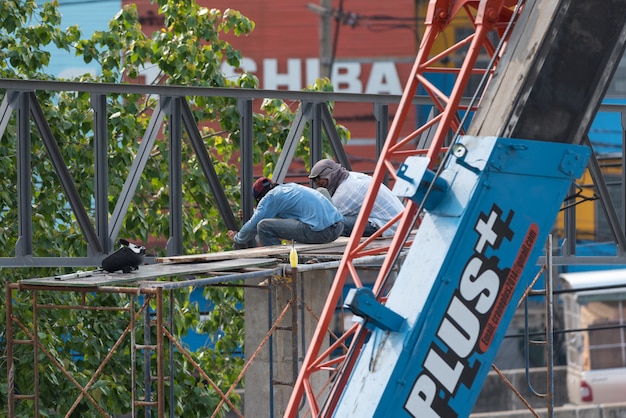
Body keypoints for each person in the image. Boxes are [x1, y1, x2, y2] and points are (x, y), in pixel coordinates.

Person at [227, 177, 345, 247]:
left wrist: (238, 238)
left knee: (263, 226)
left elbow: (254, 224)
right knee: (320, 192)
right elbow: (281, 218)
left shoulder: (270, 198)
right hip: (338, 228)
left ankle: (278, 262)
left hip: (321, 233)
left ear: (259, 198)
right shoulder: (289, 187)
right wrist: (253, 212)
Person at [308, 159, 404, 237]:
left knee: (335, 226)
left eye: (319, 180)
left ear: (330, 176)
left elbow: (327, 218)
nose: (317, 185)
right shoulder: (351, 176)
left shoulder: (345, 191)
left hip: (390, 227)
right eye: (314, 180)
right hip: (400, 222)